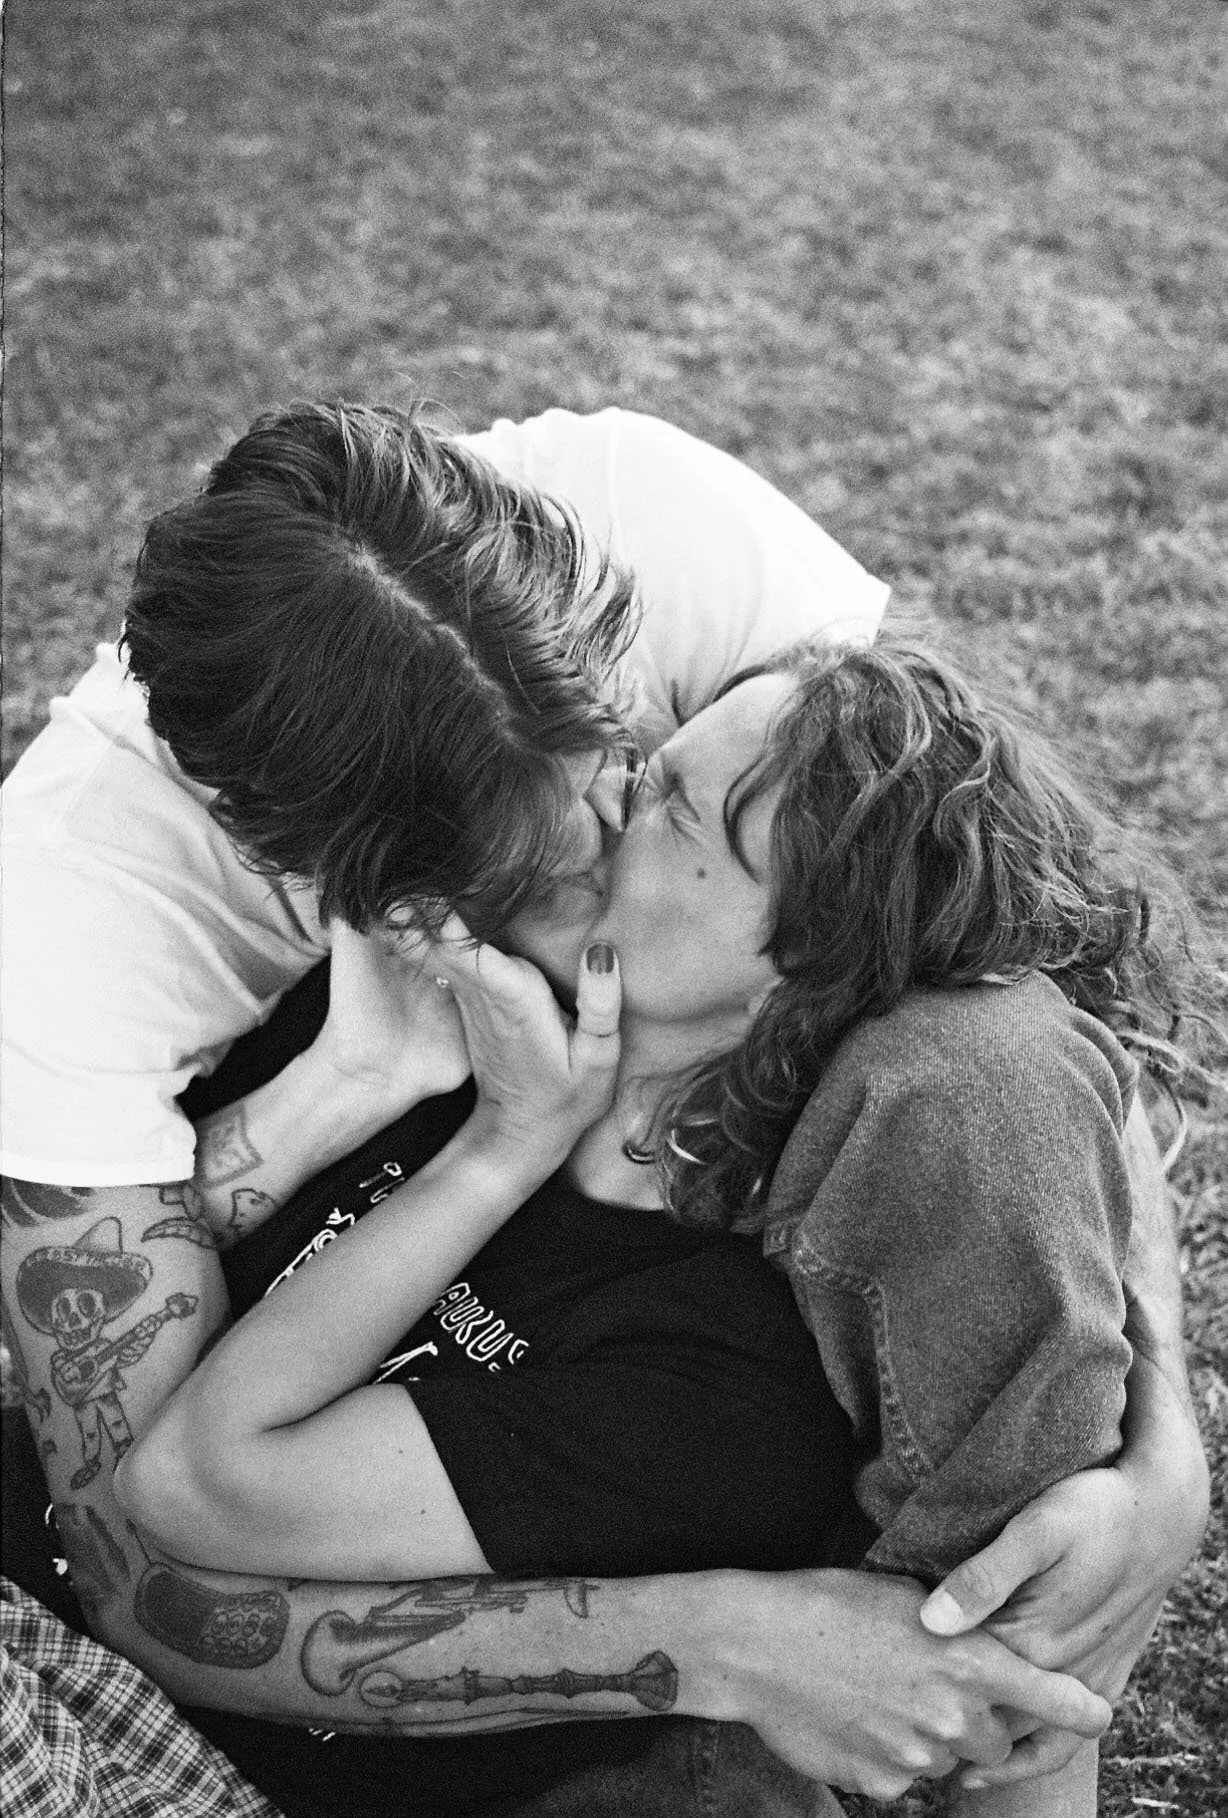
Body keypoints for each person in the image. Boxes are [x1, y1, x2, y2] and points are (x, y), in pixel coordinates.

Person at [0, 405, 1208, 1803]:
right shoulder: (101, 935)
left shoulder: (681, 562)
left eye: (640, 774)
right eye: (540, 866)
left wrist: (1153, 1457)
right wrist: (372, 1091)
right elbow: (140, 1550)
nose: (619, 807)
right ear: (371, 885)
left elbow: (1011, 987)